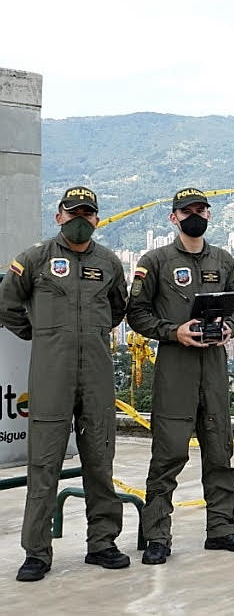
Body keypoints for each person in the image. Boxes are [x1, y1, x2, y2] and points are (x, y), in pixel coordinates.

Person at [0, 187, 130, 581]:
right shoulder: (34, 259)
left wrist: (89, 337)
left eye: (88, 213)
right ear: (59, 216)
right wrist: (41, 338)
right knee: (44, 465)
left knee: (99, 460)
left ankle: (102, 542)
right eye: (73, 212)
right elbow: (6, 302)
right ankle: (37, 552)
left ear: (96, 219)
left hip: (96, 375)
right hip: (50, 376)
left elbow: (118, 308)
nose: (80, 218)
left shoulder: (109, 263)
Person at [126, 188, 234, 564]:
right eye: (187, 211)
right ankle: (157, 537)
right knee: (168, 454)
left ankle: (222, 529)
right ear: (174, 218)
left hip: (214, 366)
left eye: (201, 209)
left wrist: (230, 327)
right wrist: (173, 331)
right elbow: (137, 313)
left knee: (220, 451)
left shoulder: (224, 259)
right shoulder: (156, 261)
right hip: (175, 366)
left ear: (209, 215)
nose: (195, 215)